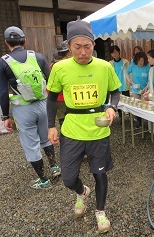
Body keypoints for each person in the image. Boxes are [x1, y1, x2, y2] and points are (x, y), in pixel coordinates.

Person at [46, 20, 121, 233]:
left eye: (87, 46)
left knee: (100, 174)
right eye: (77, 47)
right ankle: (81, 193)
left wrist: (112, 108)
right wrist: (51, 126)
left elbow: (115, 92)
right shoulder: (59, 68)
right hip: (72, 129)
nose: (82, 51)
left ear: (93, 45)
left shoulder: (105, 67)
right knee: (68, 178)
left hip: (98, 130)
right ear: (69, 47)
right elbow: (51, 99)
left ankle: (100, 212)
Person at [0, 26, 61, 189]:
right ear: (25, 41)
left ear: (7, 43)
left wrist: (6, 117)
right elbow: (52, 82)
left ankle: (43, 180)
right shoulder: (38, 57)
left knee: (30, 144)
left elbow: (3, 92)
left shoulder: (3, 62)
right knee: (45, 136)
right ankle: (54, 167)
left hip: (23, 108)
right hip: (43, 104)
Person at [50, 40, 71, 127]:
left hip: (59, 97)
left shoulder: (54, 66)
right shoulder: (69, 65)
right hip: (67, 97)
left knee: (63, 119)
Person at [126, 51, 150, 128]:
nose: (141, 62)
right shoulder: (133, 65)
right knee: (137, 106)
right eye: (139, 60)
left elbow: (150, 79)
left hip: (145, 90)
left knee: (145, 106)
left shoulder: (148, 66)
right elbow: (126, 72)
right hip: (135, 90)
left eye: (142, 60)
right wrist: (129, 79)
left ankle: (148, 122)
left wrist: (147, 87)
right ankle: (139, 121)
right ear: (136, 60)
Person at [109, 45, 130, 124]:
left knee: (128, 102)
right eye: (112, 53)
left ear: (119, 52)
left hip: (124, 85)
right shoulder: (110, 63)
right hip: (116, 86)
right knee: (118, 102)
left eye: (115, 52)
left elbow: (129, 72)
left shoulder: (125, 62)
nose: (114, 54)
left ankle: (129, 117)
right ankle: (121, 116)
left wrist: (130, 81)